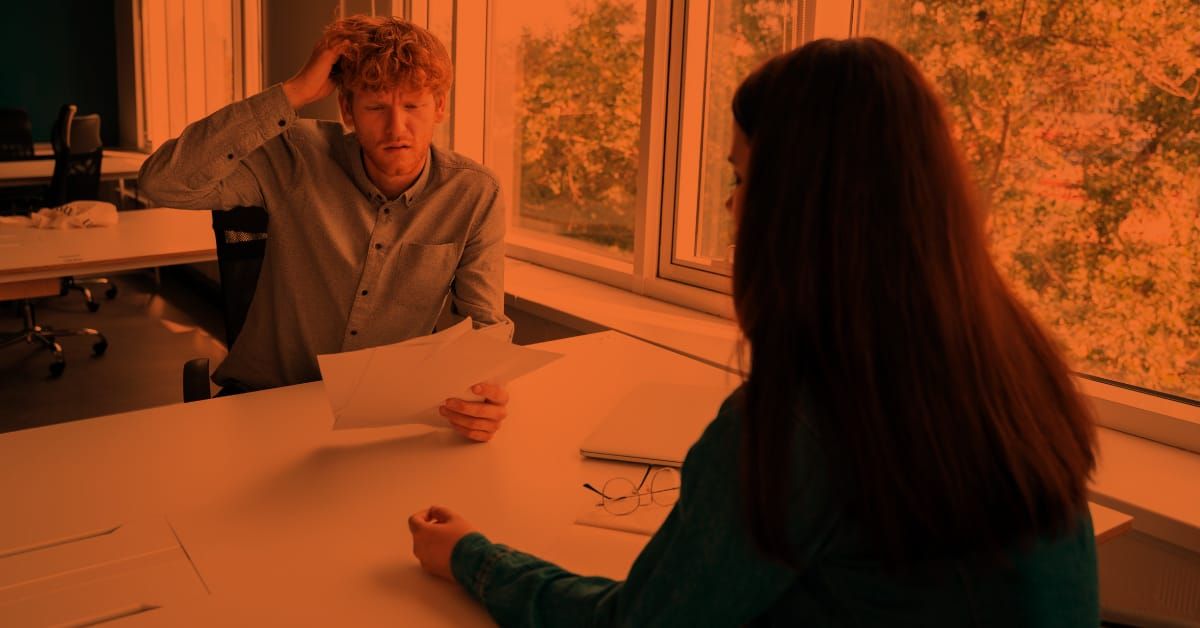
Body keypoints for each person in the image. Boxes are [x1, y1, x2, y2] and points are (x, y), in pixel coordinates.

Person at [407, 37, 1100, 624]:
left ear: (795, 209)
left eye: (741, 179)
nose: (734, 207)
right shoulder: (1014, 360)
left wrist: (475, 557)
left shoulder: (803, 421)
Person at [139, 16, 511, 442]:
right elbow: (163, 183)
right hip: (265, 402)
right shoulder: (297, 156)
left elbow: (484, 324)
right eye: (375, 107)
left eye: (413, 106)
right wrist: (292, 94)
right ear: (347, 110)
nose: (396, 128)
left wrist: (487, 394)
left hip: (380, 415)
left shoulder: (475, 193)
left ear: (439, 106)